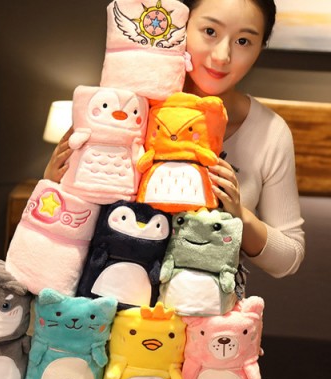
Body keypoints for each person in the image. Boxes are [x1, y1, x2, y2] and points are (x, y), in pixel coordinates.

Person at [44, 0, 305, 278]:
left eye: (243, 41)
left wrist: (239, 215)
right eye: (210, 32)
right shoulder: (129, 108)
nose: (222, 55)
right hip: (110, 288)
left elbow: (289, 258)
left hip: (204, 299)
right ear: (181, 27)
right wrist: (52, 180)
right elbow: (64, 214)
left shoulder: (269, 132)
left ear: (260, 48)